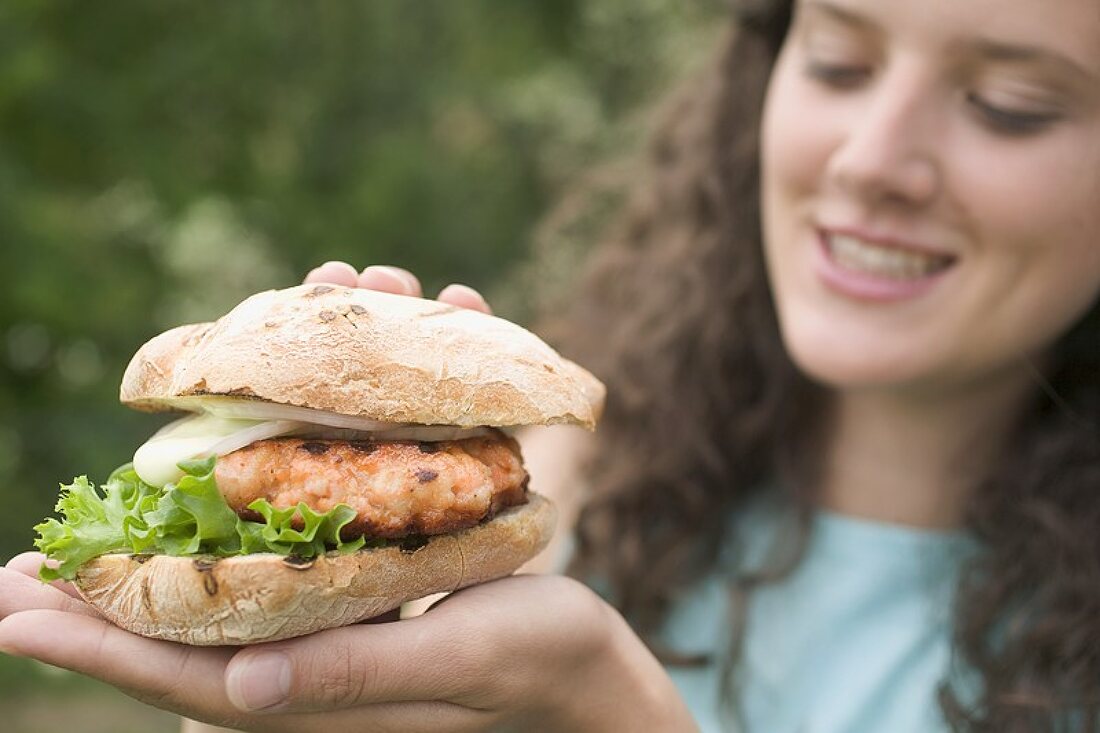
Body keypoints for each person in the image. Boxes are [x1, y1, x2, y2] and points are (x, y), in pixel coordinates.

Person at [2, 0, 1099, 730]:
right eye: (837, 64)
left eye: (1010, 106)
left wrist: (611, 710)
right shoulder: (571, 497)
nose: (869, 163)